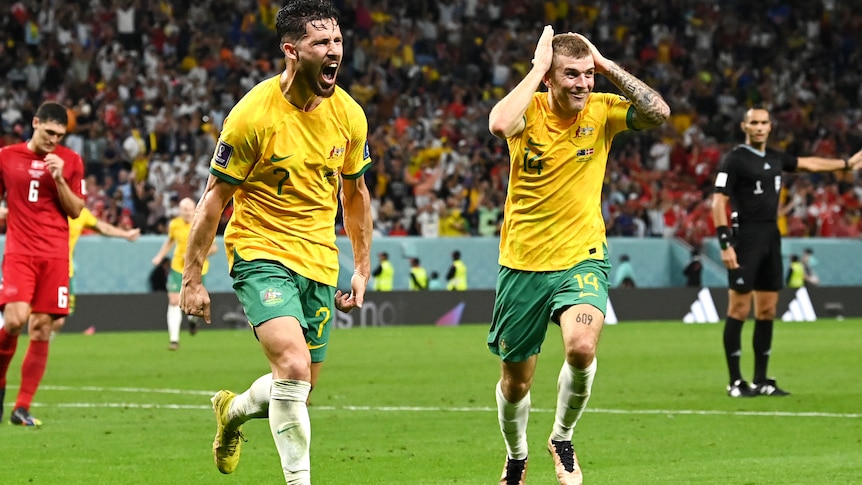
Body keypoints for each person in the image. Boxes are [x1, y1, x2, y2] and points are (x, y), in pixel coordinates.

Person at [178, 1, 373, 482]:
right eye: (321, 43)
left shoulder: (348, 115)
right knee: (291, 361)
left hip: (319, 260)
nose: (334, 52)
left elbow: (356, 192)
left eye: (338, 42)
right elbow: (213, 199)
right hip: (260, 251)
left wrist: (362, 268)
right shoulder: (250, 117)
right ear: (291, 50)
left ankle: (233, 412)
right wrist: (192, 277)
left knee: (298, 386)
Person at [486, 27, 669, 485]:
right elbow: (498, 124)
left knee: (582, 347)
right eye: (572, 74)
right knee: (516, 382)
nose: (582, 84)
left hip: (582, 257)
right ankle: (517, 454)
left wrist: (606, 66)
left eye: (587, 75)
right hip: (523, 264)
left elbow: (658, 112)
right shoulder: (528, 110)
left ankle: (562, 438)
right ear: (550, 76)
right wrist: (536, 68)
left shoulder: (602, 111)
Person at [711, 106, 862, 398]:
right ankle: (736, 382)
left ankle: (762, 379)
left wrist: (844, 164)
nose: (759, 127)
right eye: (753, 122)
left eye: (763, 123)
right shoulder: (735, 159)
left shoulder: (775, 157)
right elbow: (718, 202)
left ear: (770, 127)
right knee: (739, 309)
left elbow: (809, 164)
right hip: (745, 239)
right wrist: (725, 243)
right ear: (745, 126)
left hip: (771, 237)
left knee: (767, 310)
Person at [0, 101, 85, 426]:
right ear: (34, 123)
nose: (53, 139)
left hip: (54, 254)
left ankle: (21, 407)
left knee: (41, 327)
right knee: (14, 321)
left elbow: (76, 209)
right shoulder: (6, 157)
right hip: (19, 252)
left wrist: (60, 179)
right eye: (49, 132)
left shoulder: (71, 161)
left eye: (59, 135)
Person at [151, 197, 218, 350]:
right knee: (174, 300)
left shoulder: (203, 223)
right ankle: (174, 340)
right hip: (177, 267)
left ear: (195, 208)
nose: (186, 212)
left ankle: (193, 321)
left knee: (193, 302)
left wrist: (194, 256)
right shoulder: (175, 224)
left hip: (197, 269)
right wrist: (160, 256)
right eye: (183, 209)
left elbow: (213, 249)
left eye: (188, 209)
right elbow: (170, 241)